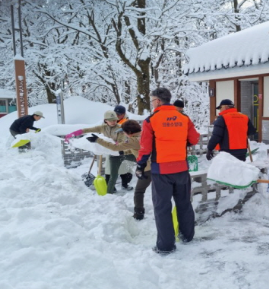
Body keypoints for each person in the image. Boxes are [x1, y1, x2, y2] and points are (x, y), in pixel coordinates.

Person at [136, 87, 200, 254]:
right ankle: (187, 236)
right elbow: (194, 139)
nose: (151, 104)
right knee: (184, 203)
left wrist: (140, 165)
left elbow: (145, 147)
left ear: (157, 101)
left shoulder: (151, 120)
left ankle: (165, 246)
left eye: (152, 101)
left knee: (162, 207)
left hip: (161, 170)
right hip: (181, 169)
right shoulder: (183, 118)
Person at [86, 120, 151, 220]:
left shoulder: (132, 140)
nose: (123, 134)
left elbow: (114, 147)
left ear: (129, 132)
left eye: (124, 132)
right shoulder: (144, 134)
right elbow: (139, 148)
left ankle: (139, 214)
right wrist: (125, 152)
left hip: (147, 169)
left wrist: (98, 140)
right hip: (158, 167)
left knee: (139, 192)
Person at [64, 110, 133, 193]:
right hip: (110, 152)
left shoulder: (120, 129)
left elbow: (121, 142)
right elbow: (87, 130)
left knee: (124, 170)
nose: (113, 122)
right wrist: (73, 134)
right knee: (109, 170)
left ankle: (125, 185)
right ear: (105, 120)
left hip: (120, 152)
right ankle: (111, 188)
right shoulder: (102, 127)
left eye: (115, 120)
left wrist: (101, 142)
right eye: (111, 120)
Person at [109, 104, 133, 190]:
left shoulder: (127, 123)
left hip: (124, 148)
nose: (117, 116)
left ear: (123, 114)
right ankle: (111, 187)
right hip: (112, 147)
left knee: (125, 167)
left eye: (119, 114)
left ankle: (125, 184)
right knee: (111, 168)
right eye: (116, 114)